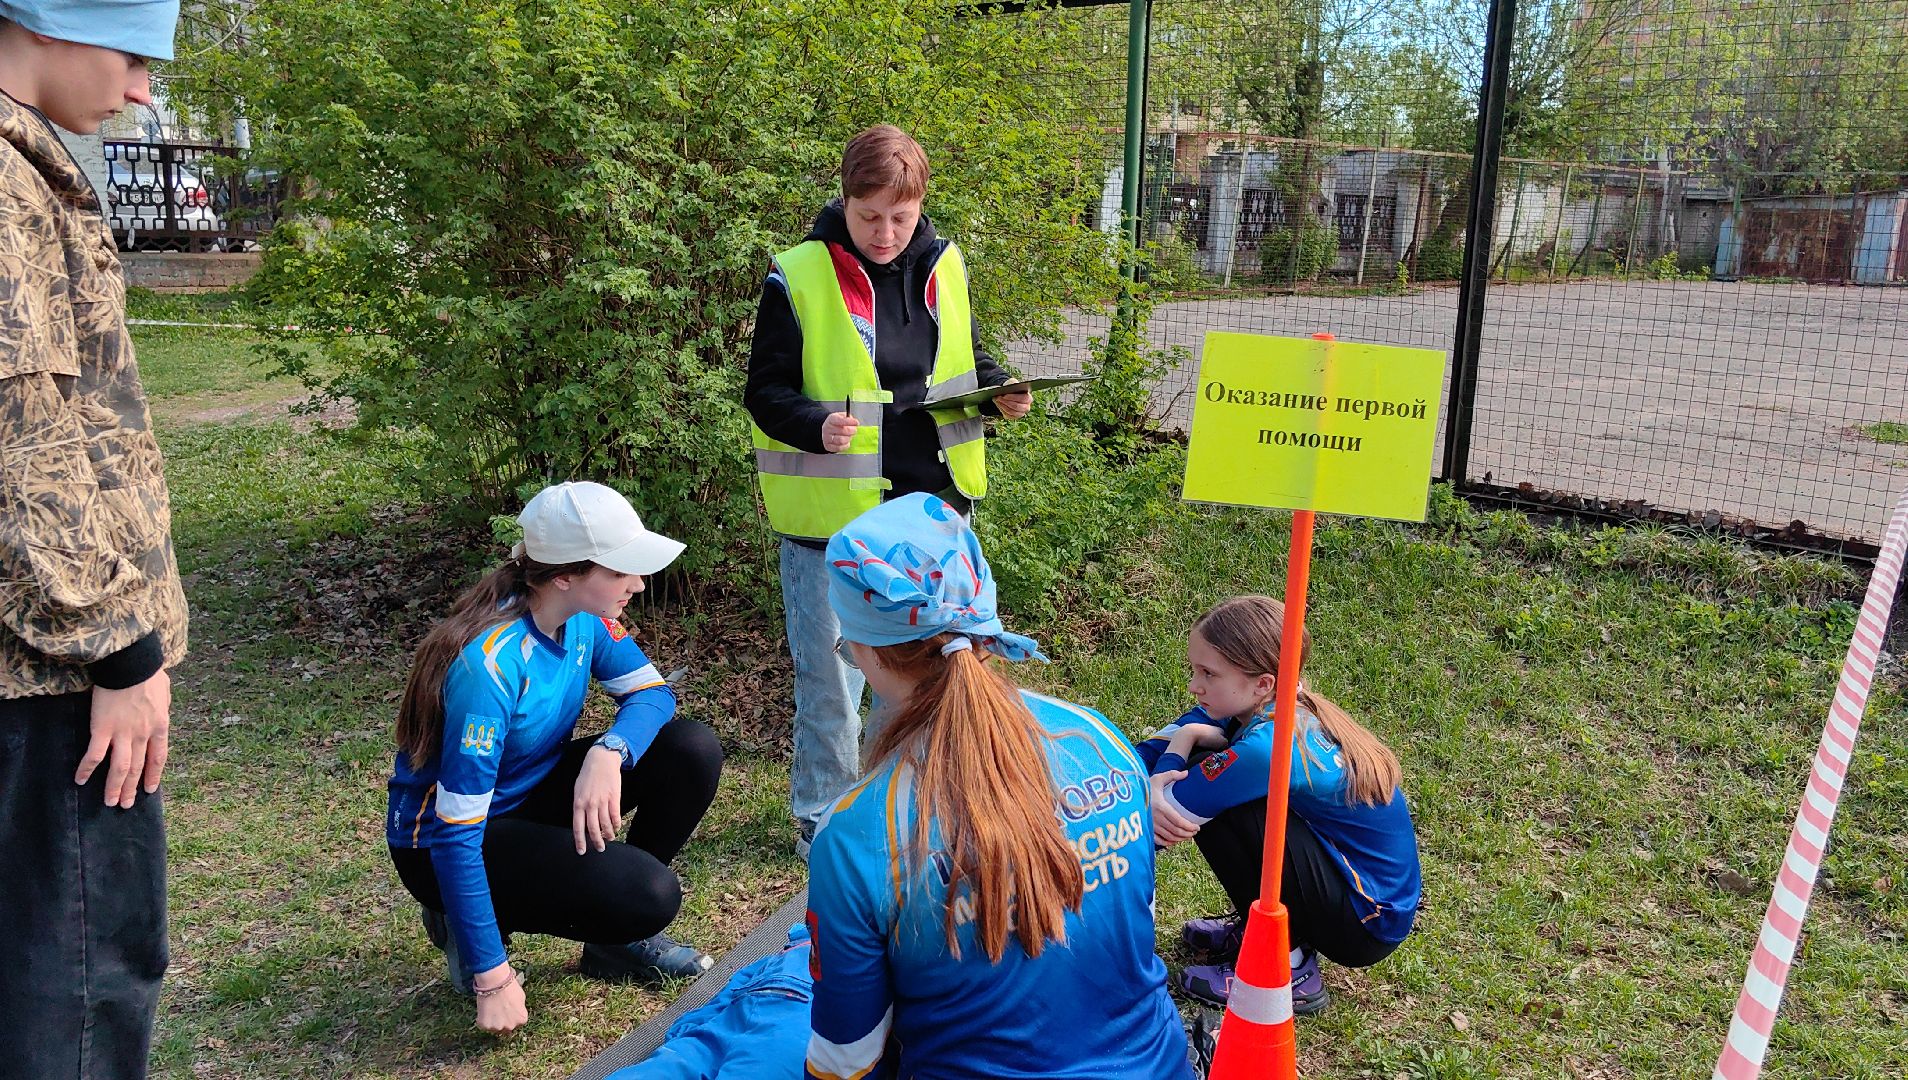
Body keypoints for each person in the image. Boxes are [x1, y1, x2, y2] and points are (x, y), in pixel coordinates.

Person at [803, 492, 1191, 1080]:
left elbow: (847, 1060)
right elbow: (1133, 936)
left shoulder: (858, 831)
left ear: (869, 651)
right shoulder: (1099, 738)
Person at [744, 124, 1031, 857]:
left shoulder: (945, 265)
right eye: (868, 215)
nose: (884, 232)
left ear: (920, 205)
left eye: (900, 217)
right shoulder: (797, 274)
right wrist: (814, 425)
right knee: (832, 683)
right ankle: (822, 817)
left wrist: (999, 387)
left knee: (920, 672)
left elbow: (964, 359)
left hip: (932, 514)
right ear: (844, 200)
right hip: (834, 524)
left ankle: (895, 802)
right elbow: (764, 392)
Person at [0, 4, 188, 1077]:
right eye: (133, 56)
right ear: (49, 23)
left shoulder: (30, 167)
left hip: (48, 659)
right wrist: (115, 649)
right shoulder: (5, 183)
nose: (141, 92)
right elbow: (20, 442)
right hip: (52, 674)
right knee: (80, 980)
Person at [386, 482, 724, 1033]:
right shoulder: (489, 668)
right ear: (565, 575)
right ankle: (465, 923)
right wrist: (492, 978)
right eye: (621, 571)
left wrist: (610, 752)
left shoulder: (583, 614)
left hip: (526, 792)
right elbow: (455, 832)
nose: (638, 584)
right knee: (650, 894)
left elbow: (654, 694)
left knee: (691, 749)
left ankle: (614, 944)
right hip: (444, 842)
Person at [1141, 596, 1422, 1015]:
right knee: (1215, 772)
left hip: (1365, 924)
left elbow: (1158, 819)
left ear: (1262, 683)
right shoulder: (1266, 702)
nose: (1194, 686)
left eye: (1208, 674)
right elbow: (1146, 752)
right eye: (1194, 670)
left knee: (1220, 789)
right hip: (1362, 897)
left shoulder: (1267, 746)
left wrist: (1175, 755)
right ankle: (1261, 933)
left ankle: (1287, 967)